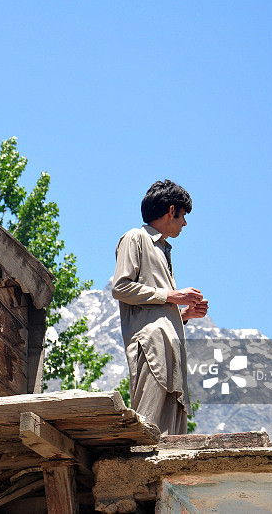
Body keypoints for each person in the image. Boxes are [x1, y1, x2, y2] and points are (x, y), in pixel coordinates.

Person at [112, 180, 208, 435]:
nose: (184, 223)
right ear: (172, 210)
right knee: (149, 428)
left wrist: (184, 315)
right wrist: (173, 296)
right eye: (183, 216)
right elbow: (120, 288)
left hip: (171, 348)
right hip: (152, 345)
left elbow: (157, 306)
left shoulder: (163, 249)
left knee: (173, 433)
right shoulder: (135, 237)